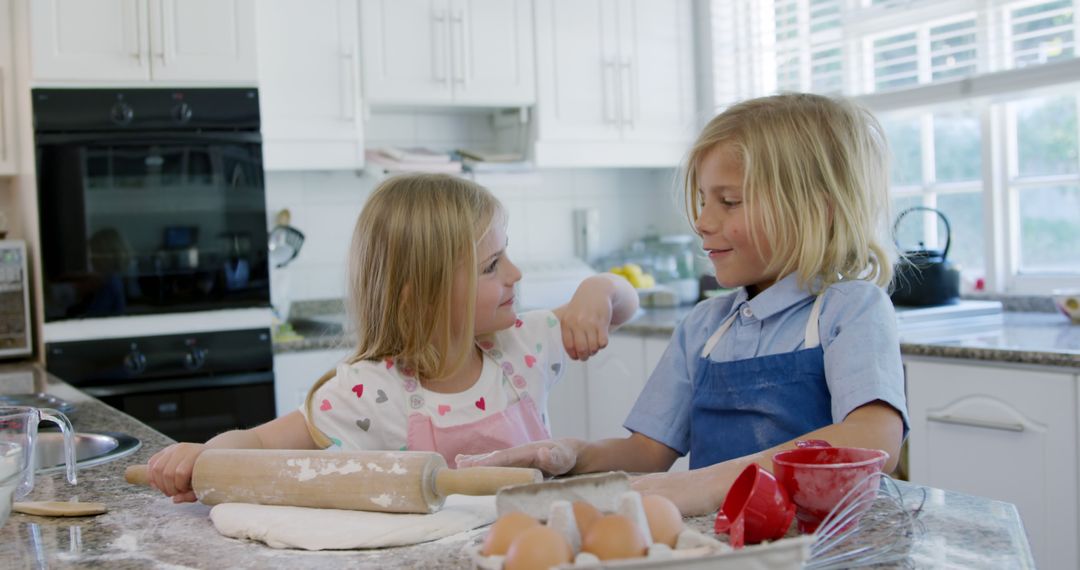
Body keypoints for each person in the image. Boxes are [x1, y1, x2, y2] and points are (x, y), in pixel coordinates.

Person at [458, 93, 909, 516]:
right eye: (702, 201)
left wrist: (715, 483)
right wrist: (574, 455)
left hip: (827, 545)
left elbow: (873, 437)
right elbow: (646, 453)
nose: (702, 222)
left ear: (818, 209)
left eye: (729, 202)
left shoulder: (849, 309)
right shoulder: (706, 326)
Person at [146, 173, 639, 502]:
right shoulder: (370, 392)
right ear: (419, 295)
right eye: (491, 265)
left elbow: (623, 305)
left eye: (505, 254)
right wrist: (205, 453)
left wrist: (599, 289)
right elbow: (256, 441)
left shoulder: (522, 345)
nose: (515, 273)